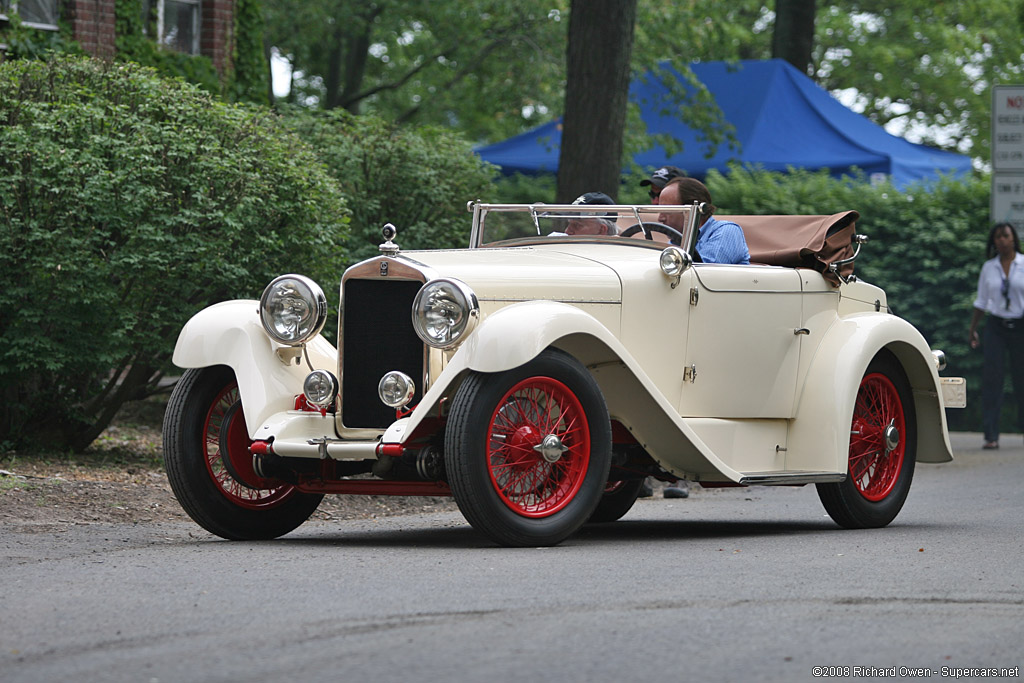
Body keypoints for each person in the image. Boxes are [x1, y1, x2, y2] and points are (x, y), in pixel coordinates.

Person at [968, 222, 1024, 449]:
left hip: (1021, 326)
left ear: (1014, 239)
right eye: (997, 237)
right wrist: (973, 328)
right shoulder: (988, 268)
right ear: (993, 242)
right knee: (993, 379)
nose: (1002, 240)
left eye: (1006, 236)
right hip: (996, 326)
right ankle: (991, 435)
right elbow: (981, 302)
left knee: (1022, 379)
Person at [657, 177, 749, 265]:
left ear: (691, 211)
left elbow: (704, 273)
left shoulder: (726, 231)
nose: (660, 218)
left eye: (666, 210)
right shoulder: (677, 241)